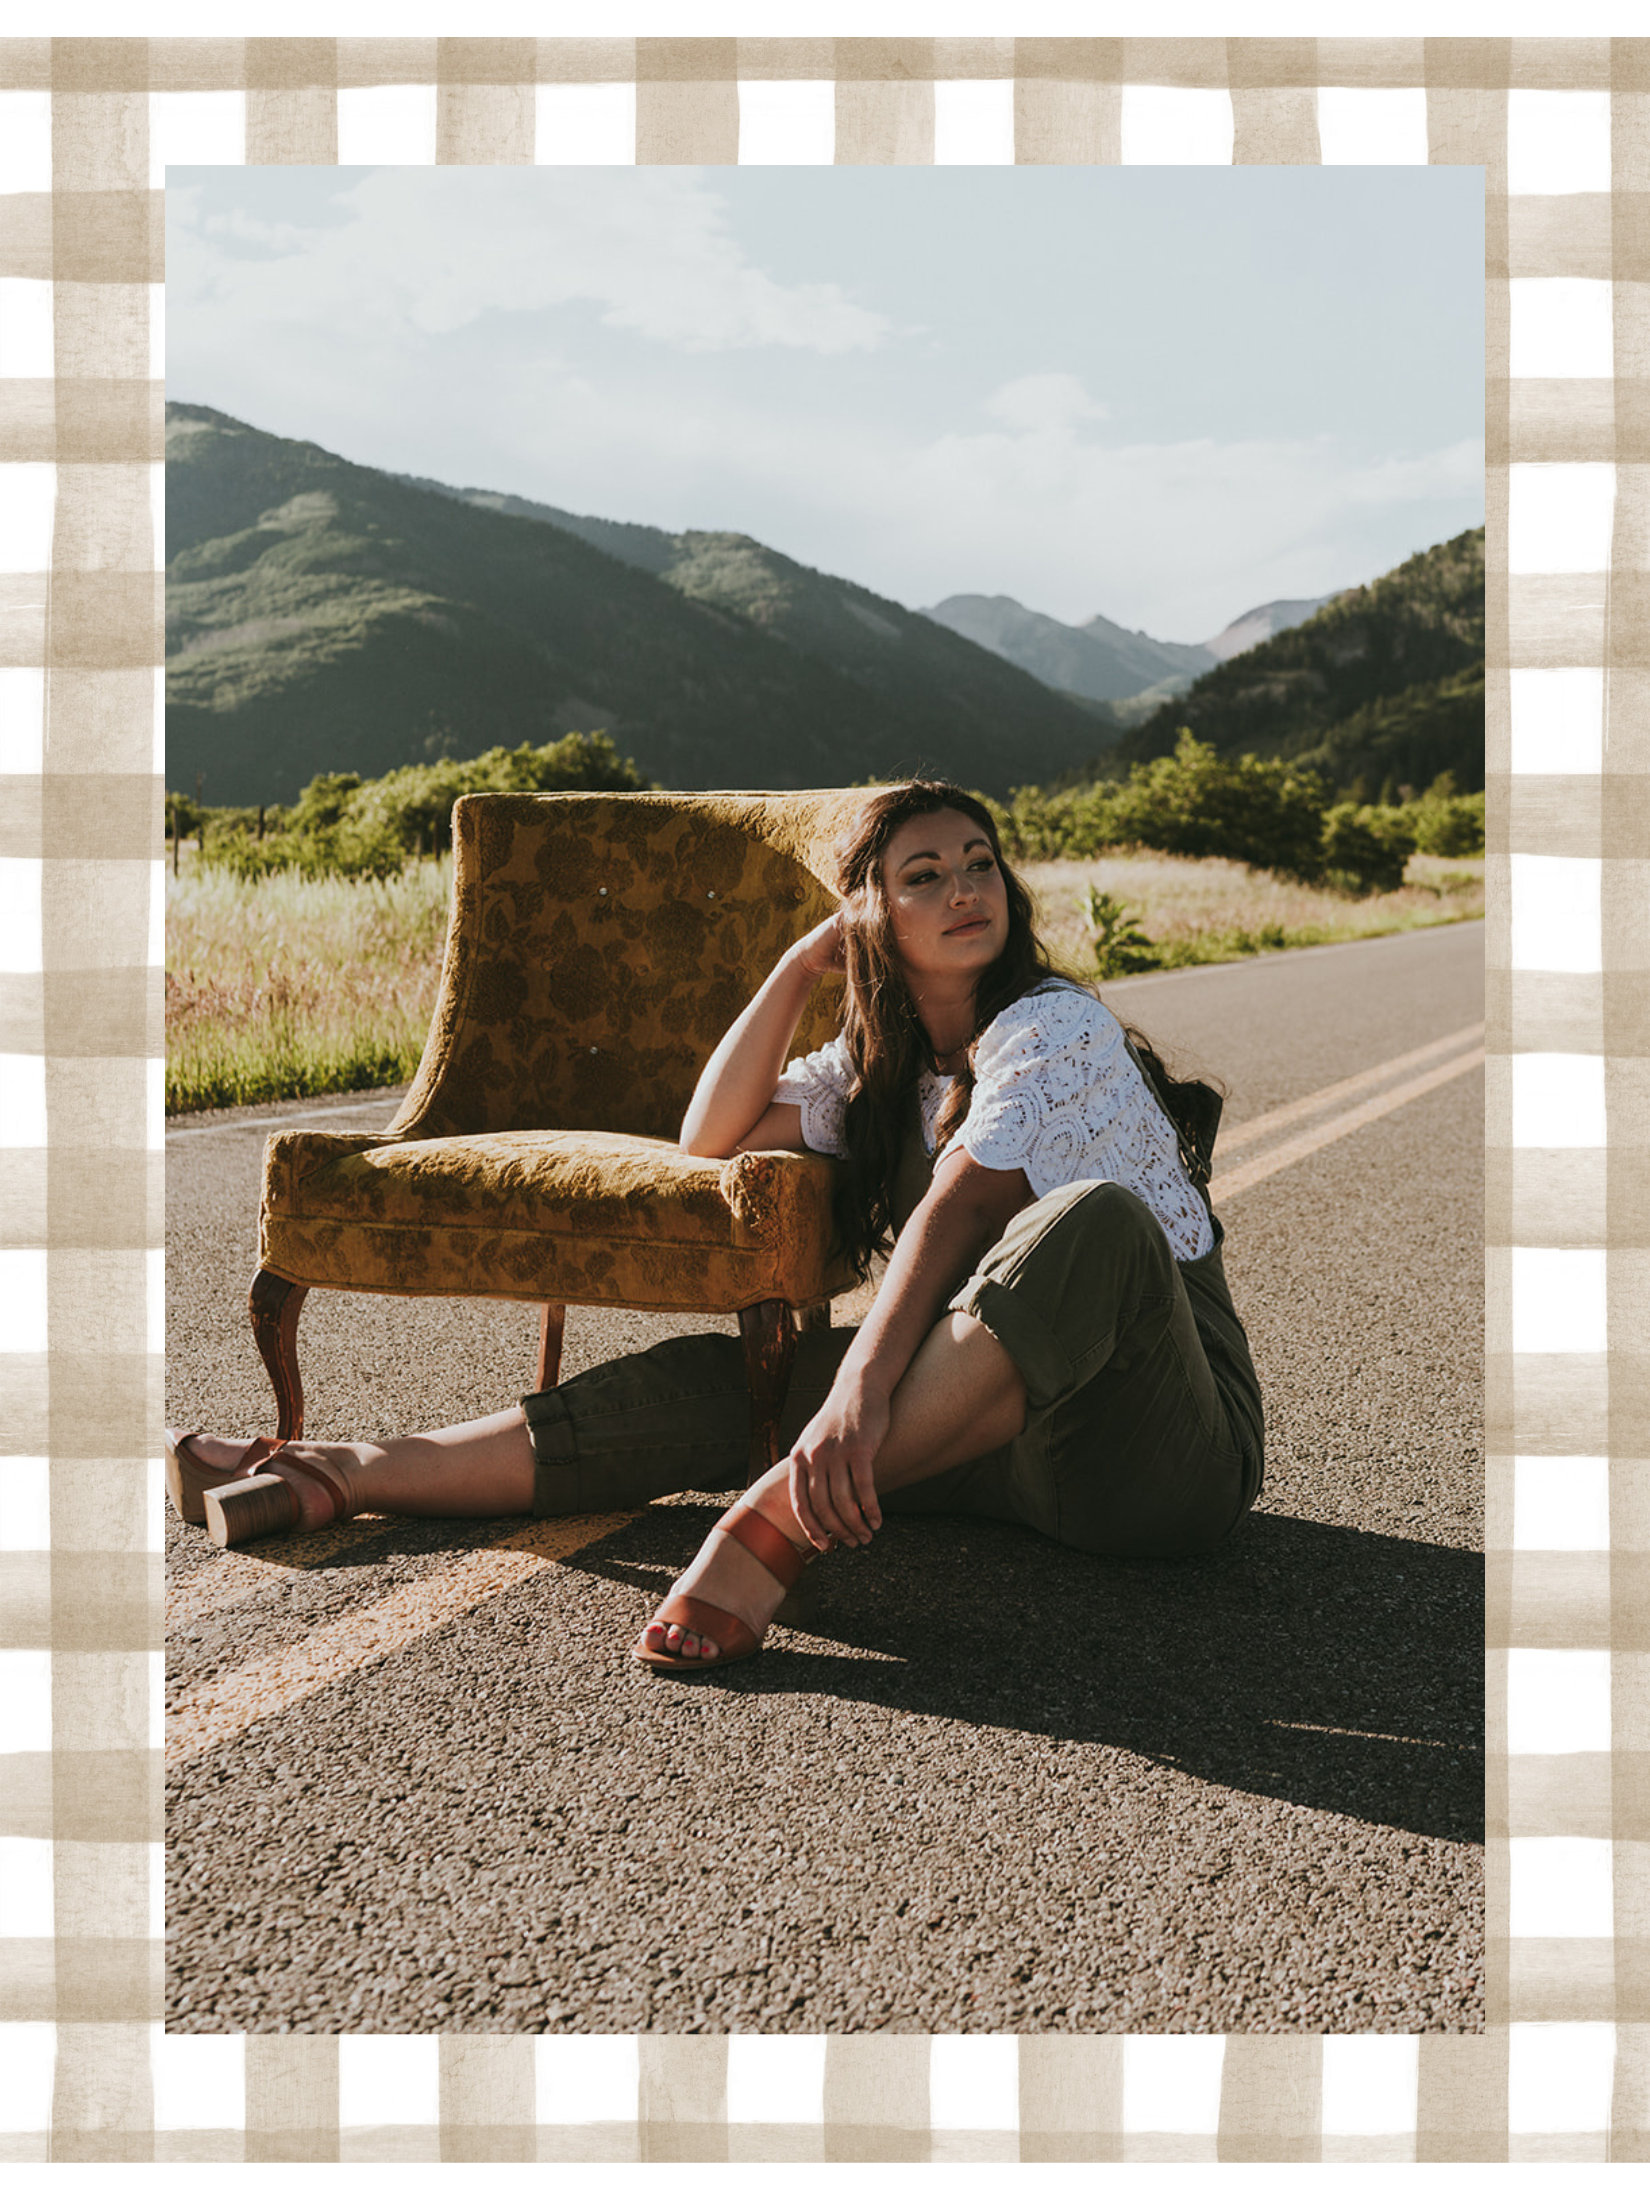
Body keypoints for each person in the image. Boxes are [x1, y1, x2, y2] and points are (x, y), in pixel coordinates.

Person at [166, 780, 1264, 1678]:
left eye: (979, 862)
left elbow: (964, 1202)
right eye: (922, 876)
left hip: (1159, 1452)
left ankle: (777, 1519)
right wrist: (796, 970)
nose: (965, 888)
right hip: (990, 1452)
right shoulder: (873, 1073)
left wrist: (852, 1398)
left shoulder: (1053, 1023)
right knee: (707, 1382)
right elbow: (711, 1133)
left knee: (1096, 1221)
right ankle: (340, 1472)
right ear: (870, 915)